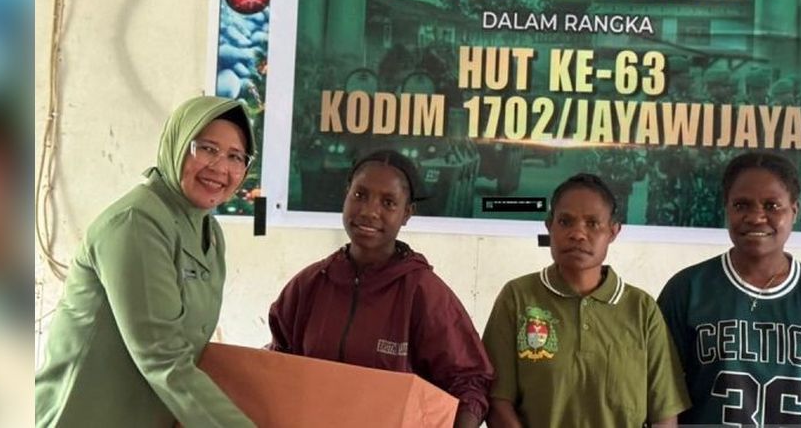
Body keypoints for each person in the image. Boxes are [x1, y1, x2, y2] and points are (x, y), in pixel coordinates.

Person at [35, 95, 257, 427]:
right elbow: (162, 356)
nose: (221, 167)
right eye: (207, 149)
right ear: (177, 144)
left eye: (236, 157)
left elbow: (189, 350)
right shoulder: (136, 222)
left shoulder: (210, 233)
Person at [267, 149, 492, 428]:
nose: (369, 211)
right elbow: (278, 366)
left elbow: (470, 382)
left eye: (388, 203)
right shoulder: (309, 284)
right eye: (360, 195)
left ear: (407, 213)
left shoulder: (423, 293)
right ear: (346, 195)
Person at [658, 151, 801, 425]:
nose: (756, 217)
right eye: (741, 205)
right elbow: (662, 402)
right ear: (727, 209)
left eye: (772, 205)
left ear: (794, 211)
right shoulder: (686, 290)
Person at [482, 173, 690, 427]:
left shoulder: (641, 308)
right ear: (549, 226)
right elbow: (498, 401)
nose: (578, 234)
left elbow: (664, 414)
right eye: (565, 221)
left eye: (592, 224)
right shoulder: (518, 297)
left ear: (613, 232)